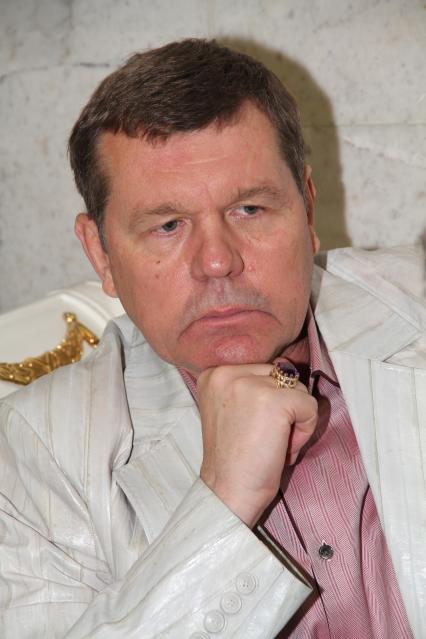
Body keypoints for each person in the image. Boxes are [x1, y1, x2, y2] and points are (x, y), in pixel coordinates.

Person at [0, 38, 424, 639]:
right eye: (168, 225)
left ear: (307, 210)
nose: (218, 262)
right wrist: (222, 501)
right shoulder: (34, 455)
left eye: (249, 209)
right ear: (101, 253)